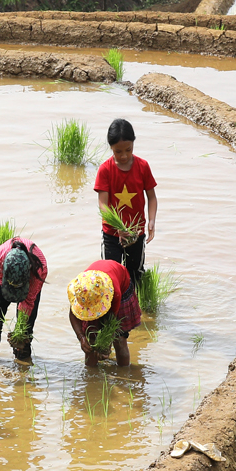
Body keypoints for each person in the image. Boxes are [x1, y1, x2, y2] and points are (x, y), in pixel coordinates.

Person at [93, 118, 158, 287]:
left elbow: (151, 197)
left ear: (133, 144)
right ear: (111, 148)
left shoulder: (143, 167)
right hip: (112, 235)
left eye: (128, 150)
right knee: (109, 277)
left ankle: (136, 310)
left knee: (135, 275)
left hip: (136, 234)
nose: (124, 156)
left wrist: (151, 220)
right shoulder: (105, 170)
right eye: (118, 151)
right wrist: (119, 228)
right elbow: (103, 205)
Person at [0, 235, 48, 364]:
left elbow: (28, 302)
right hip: (4, 280)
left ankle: (22, 370)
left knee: (24, 333)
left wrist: (19, 333)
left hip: (30, 280)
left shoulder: (39, 268)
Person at [67, 260, 142, 370]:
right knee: (91, 340)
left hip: (121, 285)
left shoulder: (115, 293)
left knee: (119, 339)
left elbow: (110, 324)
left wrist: (105, 344)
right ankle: (91, 377)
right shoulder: (80, 290)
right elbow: (73, 314)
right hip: (96, 289)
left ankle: (124, 373)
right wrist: (81, 337)